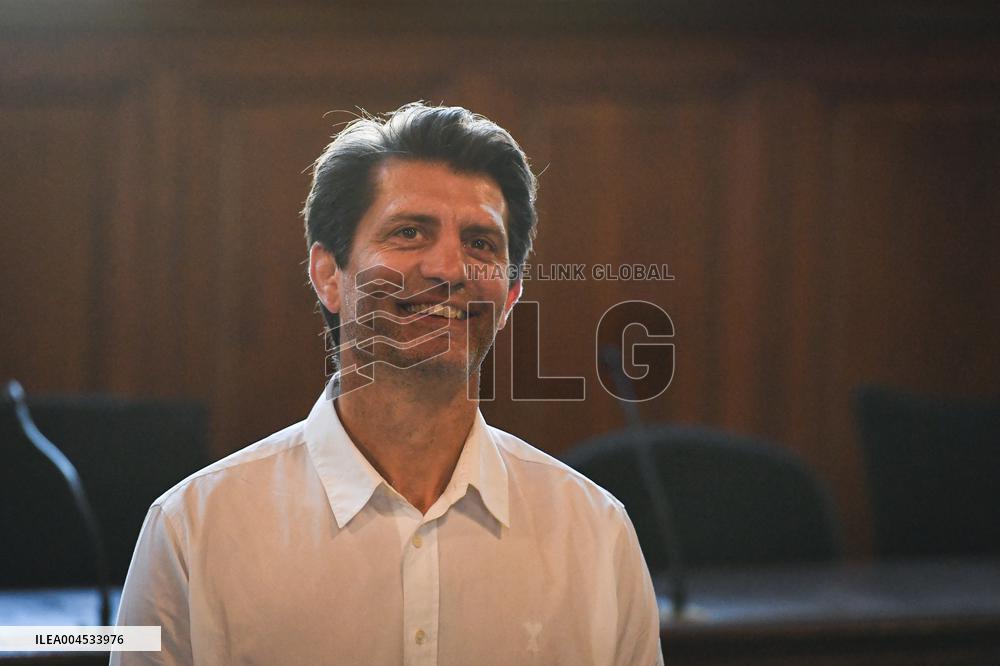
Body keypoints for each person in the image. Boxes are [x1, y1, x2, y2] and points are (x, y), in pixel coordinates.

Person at [113, 103, 664, 665]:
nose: (449, 269)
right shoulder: (193, 530)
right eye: (408, 232)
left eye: (481, 244)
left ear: (510, 298)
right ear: (328, 274)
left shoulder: (597, 535)